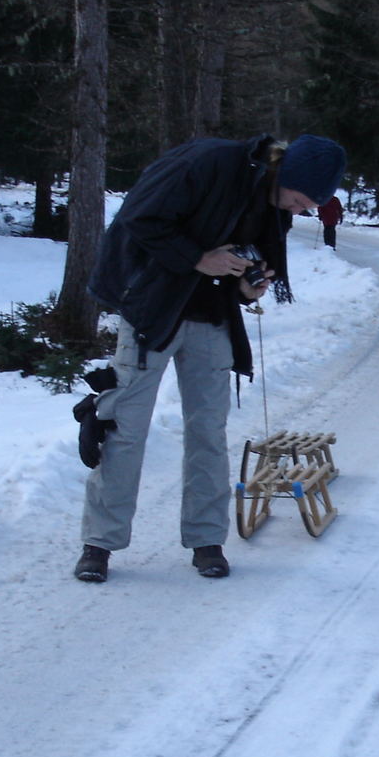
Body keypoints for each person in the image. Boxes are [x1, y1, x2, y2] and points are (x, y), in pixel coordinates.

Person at [73, 133, 346, 583]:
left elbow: (251, 251)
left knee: (208, 430)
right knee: (124, 426)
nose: (300, 211)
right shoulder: (209, 162)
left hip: (211, 315)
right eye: (301, 200)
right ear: (288, 173)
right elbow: (141, 217)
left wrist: (247, 283)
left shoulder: (273, 198)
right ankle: (99, 543)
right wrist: (199, 258)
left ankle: (206, 540)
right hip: (151, 308)